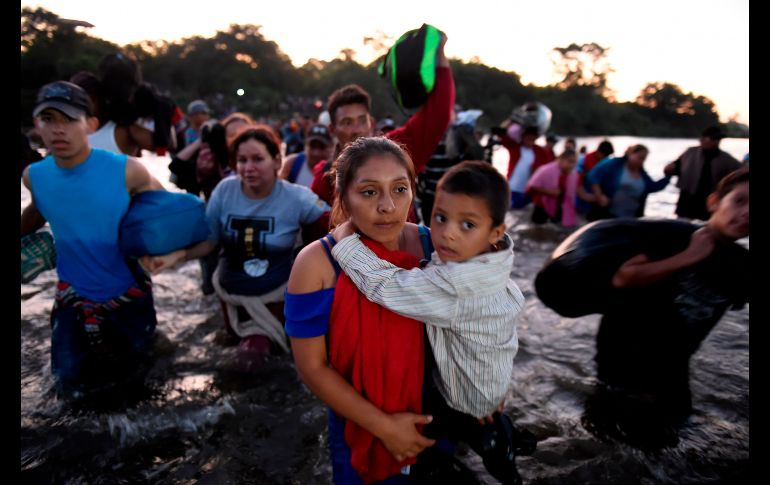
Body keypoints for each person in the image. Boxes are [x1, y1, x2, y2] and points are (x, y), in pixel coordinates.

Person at [330, 160, 531, 484]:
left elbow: (386, 286)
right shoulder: (493, 258)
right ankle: (501, 440)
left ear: (495, 232)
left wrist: (345, 240)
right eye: (440, 217)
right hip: (487, 381)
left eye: (467, 225)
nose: (447, 232)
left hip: (465, 399)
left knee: (430, 442)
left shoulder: (457, 287)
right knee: (479, 435)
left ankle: (496, 456)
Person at [285, 137, 438, 484]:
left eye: (399, 189)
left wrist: (488, 392)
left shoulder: (434, 245)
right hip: (359, 425)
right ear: (343, 198)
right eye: (369, 192)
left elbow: (477, 321)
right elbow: (312, 366)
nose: (388, 206)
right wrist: (385, 428)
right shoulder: (316, 264)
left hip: (435, 417)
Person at [583, 168, 749, 448]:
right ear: (714, 202)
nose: (746, 212)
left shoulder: (740, 264)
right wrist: (689, 256)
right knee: (609, 445)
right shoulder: (674, 236)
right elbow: (624, 277)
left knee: (673, 445)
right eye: (739, 201)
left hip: (673, 370)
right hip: (624, 364)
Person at [21, 80, 164, 394]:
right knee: (68, 392)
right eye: (49, 119)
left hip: (129, 300)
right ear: (37, 125)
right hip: (72, 301)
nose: (59, 129)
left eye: (70, 119)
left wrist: (159, 248)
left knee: (139, 391)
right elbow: (37, 211)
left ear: (91, 124)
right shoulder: (35, 176)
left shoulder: (128, 171)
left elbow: (169, 215)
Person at [143, 124, 329, 355]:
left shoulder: (297, 198)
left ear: (276, 161)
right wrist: (177, 255)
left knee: (251, 357)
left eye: (258, 159)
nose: (248, 168)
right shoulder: (225, 191)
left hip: (273, 301)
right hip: (229, 299)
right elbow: (210, 241)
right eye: (242, 160)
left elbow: (334, 225)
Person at [309, 33, 454, 206]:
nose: (357, 129)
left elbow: (438, 114)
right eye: (347, 123)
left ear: (371, 122)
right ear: (332, 129)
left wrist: (439, 53)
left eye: (362, 120)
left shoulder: (397, 150)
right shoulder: (324, 181)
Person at [663, 125, 742, 221]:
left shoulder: (728, 160)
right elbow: (673, 168)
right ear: (702, 139)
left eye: (718, 139)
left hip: (711, 205)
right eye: (713, 139)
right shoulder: (690, 153)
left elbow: (740, 175)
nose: (716, 142)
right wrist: (668, 169)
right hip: (686, 202)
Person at [586, 144, 670, 220]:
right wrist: (599, 196)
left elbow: (652, 187)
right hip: (609, 215)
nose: (641, 161)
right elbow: (593, 176)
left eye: (644, 159)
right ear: (630, 153)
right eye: (639, 157)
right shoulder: (614, 164)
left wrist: (668, 176)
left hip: (632, 218)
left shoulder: (642, 174)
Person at [498, 124, 550, 209]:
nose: (530, 138)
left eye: (533, 136)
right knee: (509, 208)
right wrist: (513, 120)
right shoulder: (515, 147)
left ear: (536, 137)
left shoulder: (541, 152)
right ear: (522, 136)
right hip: (512, 188)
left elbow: (546, 171)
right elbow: (500, 133)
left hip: (530, 191)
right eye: (528, 135)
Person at [525, 149, 579, 226]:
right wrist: (549, 191)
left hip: (559, 206)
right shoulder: (545, 170)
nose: (572, 165)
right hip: (542, 206)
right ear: (561, 159)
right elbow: (531, 187)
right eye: (570, 161)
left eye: (574, 162)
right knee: (537, 228)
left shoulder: (573, 174)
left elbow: (572, 193)